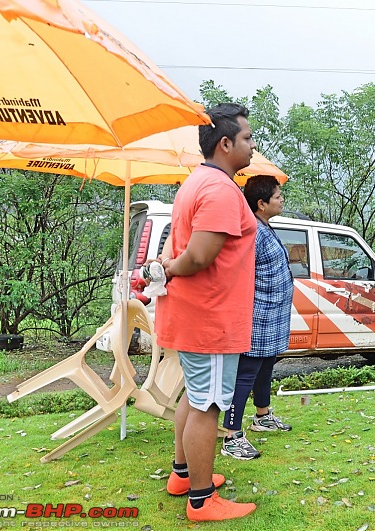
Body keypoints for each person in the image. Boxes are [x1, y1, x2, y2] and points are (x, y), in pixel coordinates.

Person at [155, 103, 258, 522]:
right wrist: (171, 267)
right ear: (226, 143)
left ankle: (183, 475)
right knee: (209, 404)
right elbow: (197, 256)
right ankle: (201, 501)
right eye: (248, 138)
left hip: (193, 314)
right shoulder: (218, 190)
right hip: (211, 317)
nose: (253, 145)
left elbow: (177, 243)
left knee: (194, 396)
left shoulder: (194, 182)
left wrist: (168, 265)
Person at [221, 175, 294, 460]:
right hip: (258, 315)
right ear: (261, 203)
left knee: (266, 365)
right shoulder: (252, 232)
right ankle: (231, 435)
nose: (282, 199)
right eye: (277, 196)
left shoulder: (265, 227)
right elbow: (238, 273)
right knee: (246, 373)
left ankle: (262, 415)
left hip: (273, 315)